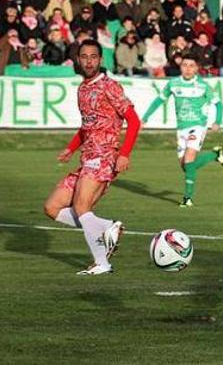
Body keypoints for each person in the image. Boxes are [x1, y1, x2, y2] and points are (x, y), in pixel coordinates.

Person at [43, 39, 141, 275]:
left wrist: (124, 154)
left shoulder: (109, 86)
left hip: (105, 155)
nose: (88, 61)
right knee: (52, 207)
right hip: (87, 157)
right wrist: (70, 148)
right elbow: (87, 126)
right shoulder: (82, 89)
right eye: (84, 56)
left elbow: (135, 121)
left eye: (93, 57)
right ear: (78, 59)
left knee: (81, 207)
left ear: (100, 59)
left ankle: (102, 263)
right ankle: (107, 228)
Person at [142, 54, 223, 207]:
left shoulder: (203, 86)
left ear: (196, 69)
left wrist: (217, 121)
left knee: (188, 161)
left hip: (198, 126)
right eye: (184, 65)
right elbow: (159, 100)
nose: (187, 69)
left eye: (191, 65)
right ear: (180, 67)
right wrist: (145, 117)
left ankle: (187, 199)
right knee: (186, 166)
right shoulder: (173, 84)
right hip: (181, 129)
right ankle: (214, 155)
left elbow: (219, 104)